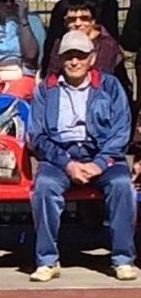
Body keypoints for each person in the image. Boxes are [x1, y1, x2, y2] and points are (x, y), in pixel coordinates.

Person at [25, 30, 138, 282]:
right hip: (60, 157)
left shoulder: (110, 86)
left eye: (81, 56)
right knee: (44, 187)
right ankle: (47, 261)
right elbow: (37, 136)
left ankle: (123, 259)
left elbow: (121, 130)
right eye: (69, 56)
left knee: (122, 186)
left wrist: (100, 163)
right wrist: (67, 164)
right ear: (60, 58)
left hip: (103, 155)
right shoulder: (45, 90)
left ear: (92, 58)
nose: (74, 62)